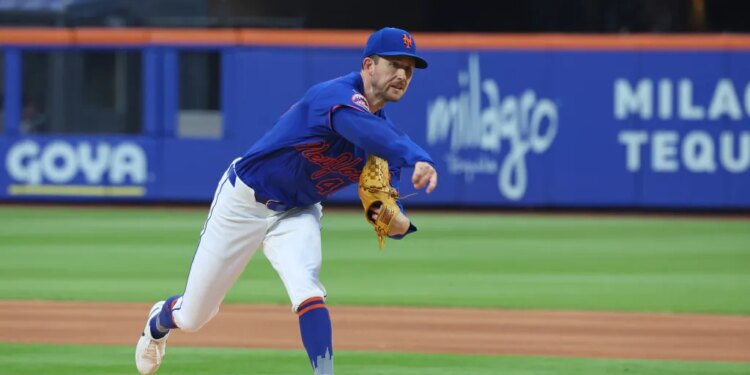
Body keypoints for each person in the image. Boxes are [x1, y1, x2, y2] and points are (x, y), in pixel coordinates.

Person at [134, 27, 438, 375]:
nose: (402, 74)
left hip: (299, 211)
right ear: (368, 65)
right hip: (244, 202)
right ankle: (159, 321)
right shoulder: (335, 97)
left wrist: (397, 222)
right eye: (394, 64)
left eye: (409, 69)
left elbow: (389, 211)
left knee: (307, 290)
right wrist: (416, 155)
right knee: (193, 317)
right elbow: (362, 128)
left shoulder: (381, 146)